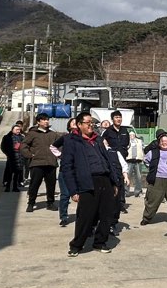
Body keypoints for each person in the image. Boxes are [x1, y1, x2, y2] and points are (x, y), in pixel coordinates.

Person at [61, 112, 123, 256]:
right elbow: (67, 167)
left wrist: (114, 182)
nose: (91, 125)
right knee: (85, 216)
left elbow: (108, 161)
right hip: (87, 182)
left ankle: (100, 242)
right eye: (88, 122)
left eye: (92, 123)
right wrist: (73, 190)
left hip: (105, 180)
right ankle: (76, 245)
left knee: (107, 214)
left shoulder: (98, 140)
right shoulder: (72, 141)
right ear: (79, 125)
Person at [20, 112, 61, 212]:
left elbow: (60, 146)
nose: (46, 121)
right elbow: (23, 146)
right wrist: (30, 155)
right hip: (37, 163)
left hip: (51, 163)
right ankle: (31, 203)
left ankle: (50, 203)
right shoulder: (32, 134)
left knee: (51, 185)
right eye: (44, 120)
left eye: (47, 119)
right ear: (38, 122)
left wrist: (59, 155)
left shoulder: (53, 134)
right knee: (34, 184)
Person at [141, 134, 167, 225]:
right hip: (157, 179)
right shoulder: (153, 152)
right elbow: (146, 160)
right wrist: (152, 169)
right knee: (152, 200)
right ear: (159, 143)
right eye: (162, 141)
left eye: (166, 141)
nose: (164, 143)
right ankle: (146, 218)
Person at [102, 110, 130, 218]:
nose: (118, 119)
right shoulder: (108, 131)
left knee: (121, 182)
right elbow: (103, 144)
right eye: (116, 117)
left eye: (120, 117)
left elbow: (127, 144)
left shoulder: (124, 130)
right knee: (112, 181)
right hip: (111, 159)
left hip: (122, 159)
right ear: (112, 119)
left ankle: (121, 204)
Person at [53, 118, 77, 227]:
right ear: (69, 125)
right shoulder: (65, 138)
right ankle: (63, 216)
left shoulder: (83, 138)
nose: (75, 123)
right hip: (65, 171)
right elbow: (53, 147)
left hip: (79, 170)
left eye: (77, 122)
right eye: (73, 122)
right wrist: (61, 155)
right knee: (65, 195)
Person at [0, 124, 25, 192]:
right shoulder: (7, 137)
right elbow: (3, 147)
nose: (18, 131)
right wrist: (8, 153)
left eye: (19, 129)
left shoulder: (22, 138)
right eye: (16, 129)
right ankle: (7, 186)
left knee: (17, 174)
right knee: (9, 173)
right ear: (12, 130)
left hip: (20, 158)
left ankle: (15, 187)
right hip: (11, 158)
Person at [126, 132, 145, 198]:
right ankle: (126, 192)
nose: (132, 136)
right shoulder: (126, 141)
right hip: (129, 161)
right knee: (127, 177)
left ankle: (138, 192)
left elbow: (143, 149)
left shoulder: (139, 141)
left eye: (133, 135)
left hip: (138, 161)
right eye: (130, 135)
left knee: (138, 177)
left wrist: (143, 158)